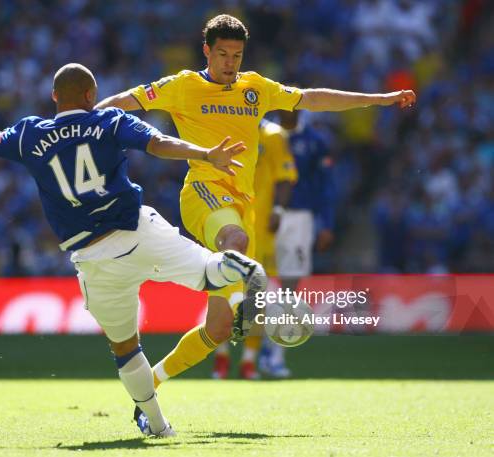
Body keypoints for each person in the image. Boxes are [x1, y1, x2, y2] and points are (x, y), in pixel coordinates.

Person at [0, 63, 267, 438]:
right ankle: (243, 269)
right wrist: (206, 153)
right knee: (209, 272)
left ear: (54, 97)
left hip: (94, 258)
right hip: (140, 232)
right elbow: (160, 143)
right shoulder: (108, 121)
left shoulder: (30, 134)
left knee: (126, 348)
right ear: (90, 96)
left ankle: (159, 427)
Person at [95, 14, 416, 389]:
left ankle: (148, 385)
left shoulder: (255, 88)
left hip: (242, 205)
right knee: (238, 242)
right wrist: (85, 116)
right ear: (207, 52)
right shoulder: (182, 85)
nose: (230, 63)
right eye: (223, 54)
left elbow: (311, 98)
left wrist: (379, 99)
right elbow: (128, 100)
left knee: (215, 331)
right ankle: (249, 300)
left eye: (237, 55)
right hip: (204, 192)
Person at [213, 118, 298, 380]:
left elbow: (286, 176)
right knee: (222, 290)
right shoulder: (221, 127)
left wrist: (278, 209)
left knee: (255, 298)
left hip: (259, 229)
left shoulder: (272, 135)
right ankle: (222, 357)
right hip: (226, 222)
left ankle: (248, 361)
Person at [258, 110, 336, 377]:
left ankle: (276, 353)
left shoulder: (315, 140)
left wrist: (326, 221)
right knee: (258, 285)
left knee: (290, 288)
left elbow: (326, 184)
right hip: (264, 216)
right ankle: (255, 350)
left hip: (300, 218)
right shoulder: (263, 134)